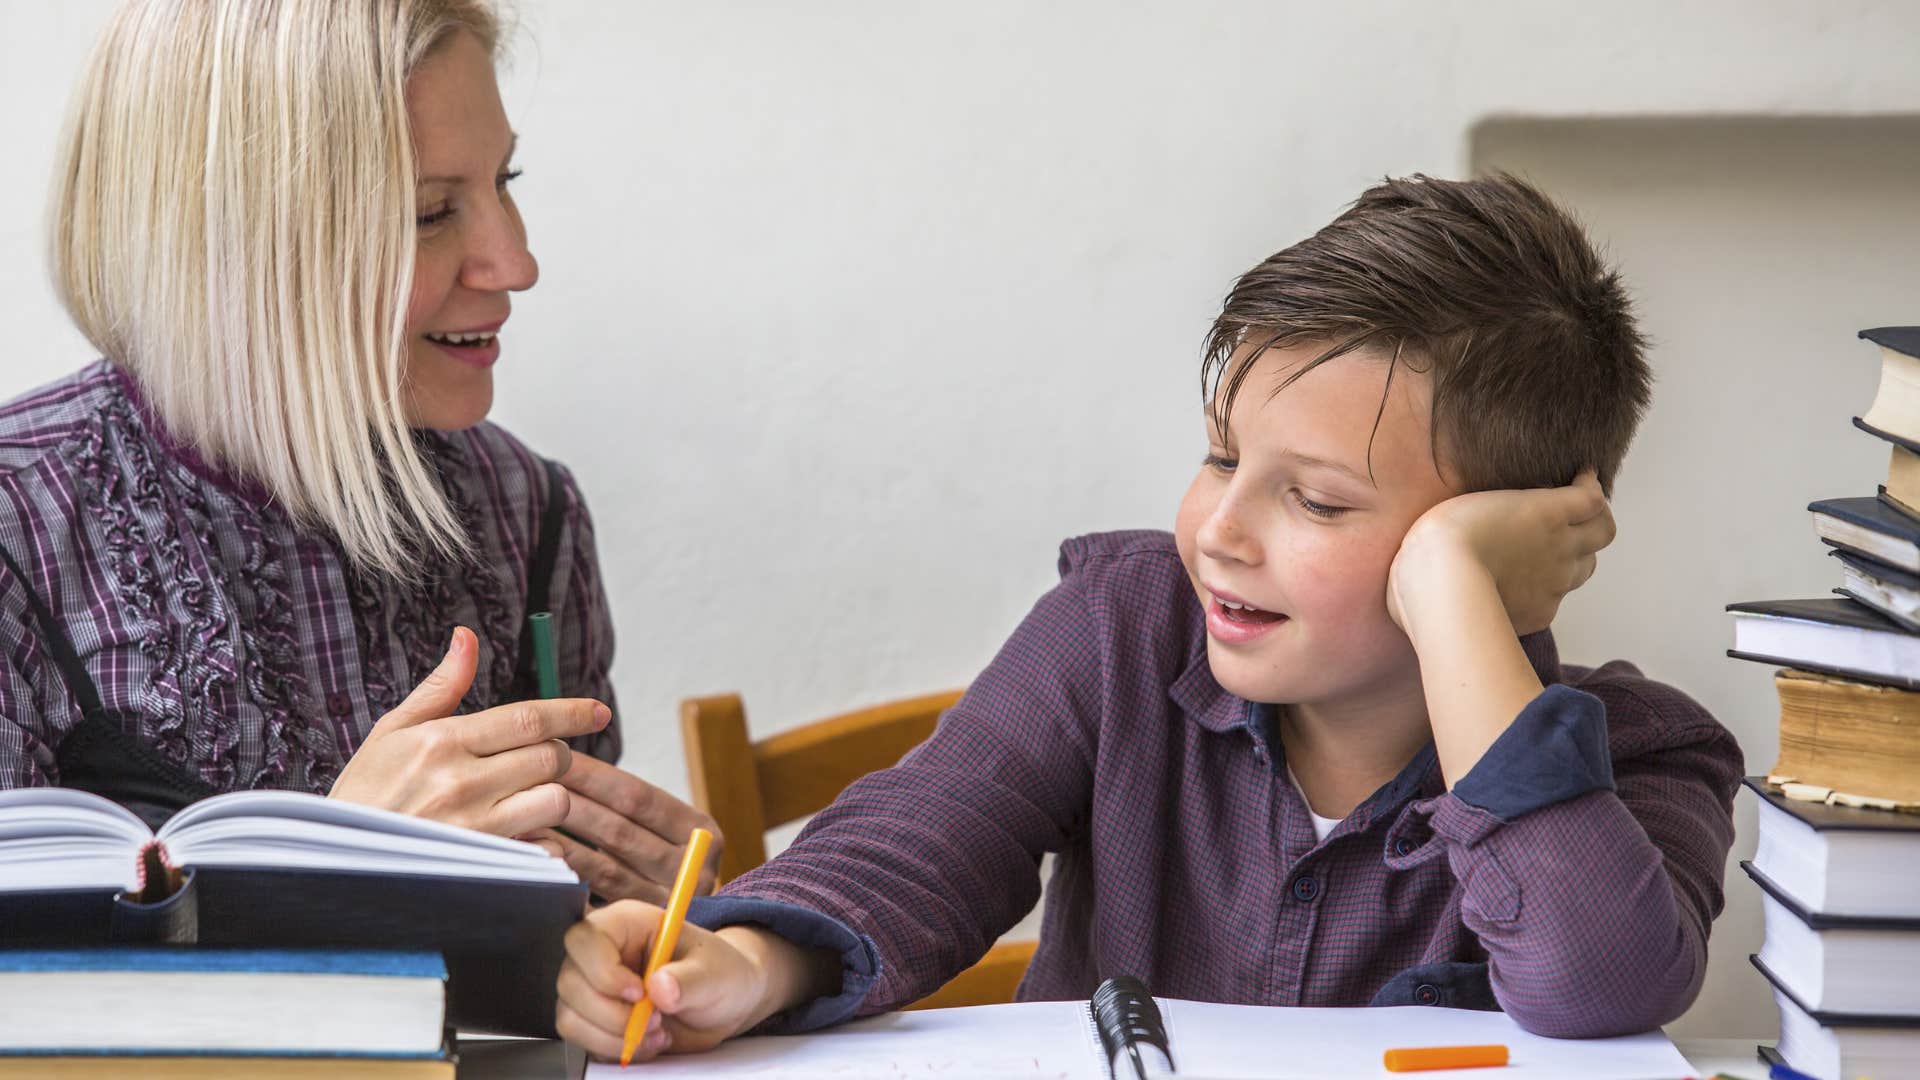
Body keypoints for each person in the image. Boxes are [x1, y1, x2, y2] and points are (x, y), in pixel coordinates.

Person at [554, 173, 1744, 1058]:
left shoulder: (1648, 756)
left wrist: (1450, 593)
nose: (1223, 529)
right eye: (1220, 457)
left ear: (1508, 541)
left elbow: (1599, 983)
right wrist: (751, 961)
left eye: (1318, 501)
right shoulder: (1124, 629)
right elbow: (927, 833)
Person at [0, 0, 716, 902]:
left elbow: (558, 969)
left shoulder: (529, 511)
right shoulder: (18, 533)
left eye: (508, 180)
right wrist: (334, 870)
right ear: (227, 243)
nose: (514, 260)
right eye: (429, 213)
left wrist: (649, 925)